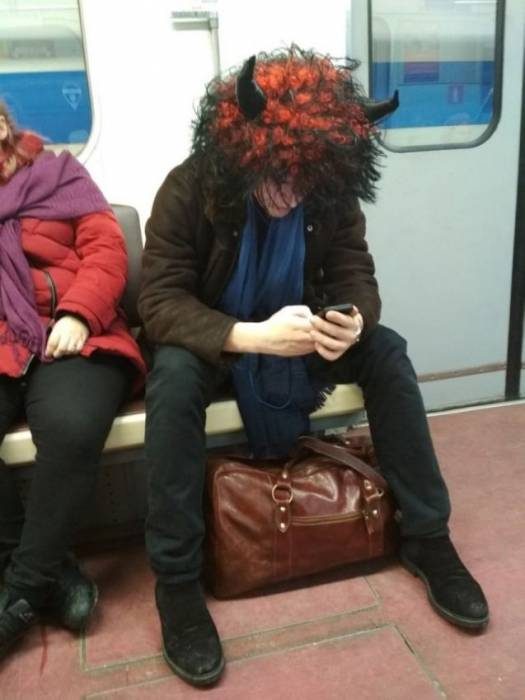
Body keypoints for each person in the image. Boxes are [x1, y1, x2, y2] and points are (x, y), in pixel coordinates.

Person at [138, 46, 489, 688]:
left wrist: (353, 319)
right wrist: (249, 336)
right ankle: (177, 581)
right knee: (173, 380)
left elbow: (356, 272)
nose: (290, 193)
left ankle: (428, 537)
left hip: (303, 336)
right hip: (226, 342)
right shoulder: (188, 189)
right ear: (244, 151)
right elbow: (159, 302)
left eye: (305, 180)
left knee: (387, 352)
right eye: (277, 175)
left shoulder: (326, 193)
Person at [0, 101, 146, 661]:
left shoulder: (60, 174)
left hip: (78, 330)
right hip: (5, 341)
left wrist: (79, 313)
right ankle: (49, 574)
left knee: (71, 425)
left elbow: (107, 251)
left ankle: (17, 596)